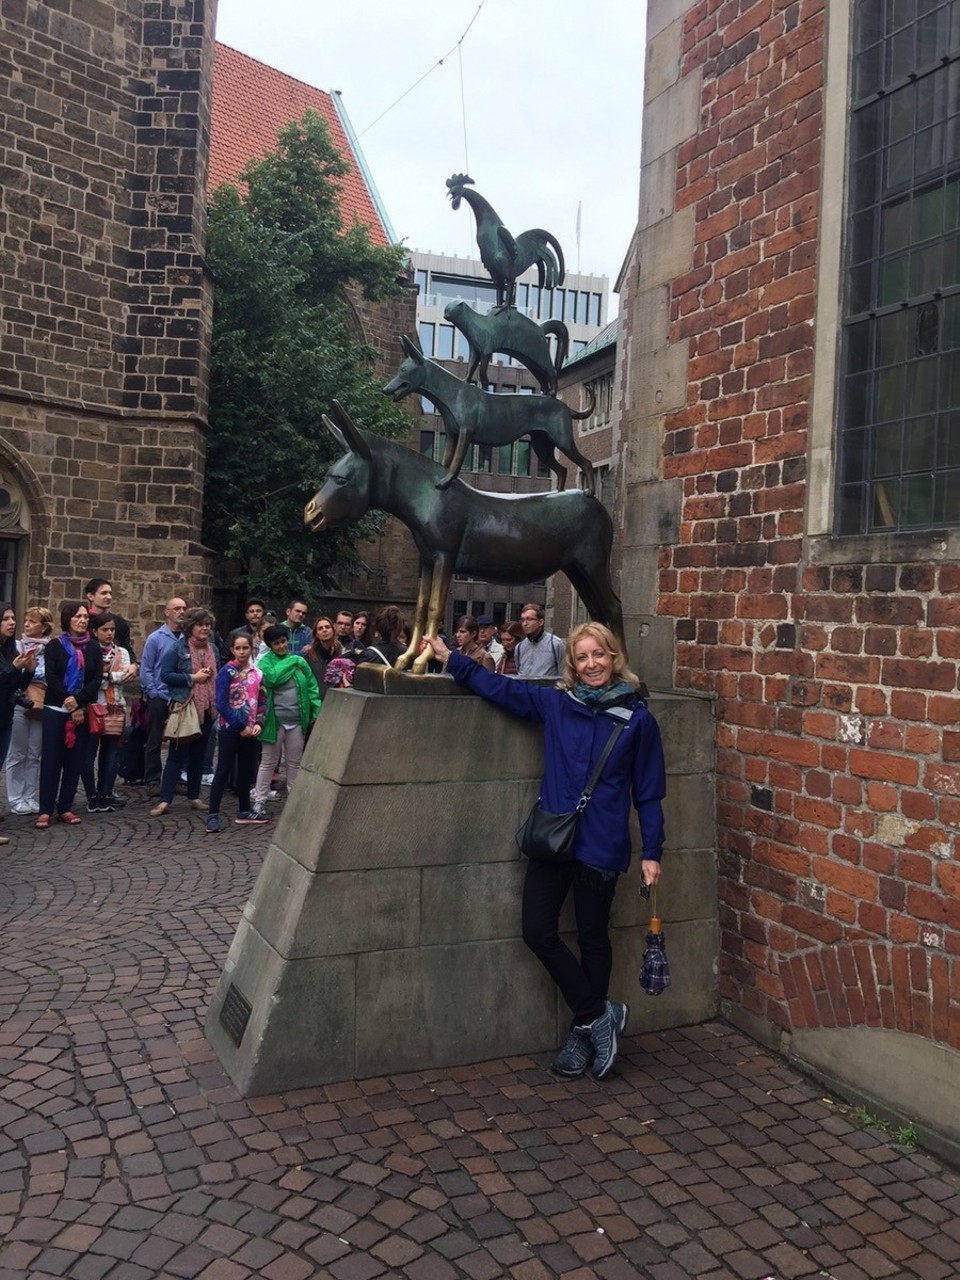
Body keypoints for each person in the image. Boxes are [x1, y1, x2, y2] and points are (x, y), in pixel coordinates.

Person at [425, 622, 666, 1081]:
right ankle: (599, 1015)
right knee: (537, 931)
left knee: (594, 939)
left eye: (599, 655)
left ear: (614, 658)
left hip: (601, 844)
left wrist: (653, 851)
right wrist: (450, 659)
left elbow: (649, 792)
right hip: (554, 838)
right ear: (572, 666)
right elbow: (500, 689)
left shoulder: (638, 721)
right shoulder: (557, 705)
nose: (592, 664)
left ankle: (583, 1033)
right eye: (582, 657)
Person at [36, 602, 104, 829]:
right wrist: (70, 702)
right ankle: (45, 809)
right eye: (78, 616)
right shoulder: (55, 646)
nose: (83, 620)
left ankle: (65, 806)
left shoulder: (93, 648)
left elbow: (95, 680)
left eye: (85, 616)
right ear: (68, 620)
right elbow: (52, 678)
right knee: (52, 760)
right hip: (56, 709)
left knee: (74, 761)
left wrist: (79, 702)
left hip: (82, 710)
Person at [150, 607, 218, 817]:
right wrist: (192, 678)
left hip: (208, 708)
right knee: (177, 755)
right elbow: (166, 675)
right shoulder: (177, 648)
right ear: (190, 627)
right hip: (185, 707)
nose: (205, 628)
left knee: (199, 754)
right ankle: (165, 799)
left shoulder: (213, 649)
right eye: (200, 624)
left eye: (207, 624)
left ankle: (194, 796)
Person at [250, 626, 321, 821]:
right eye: (276, 643)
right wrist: (294, 662)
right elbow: (272, 679)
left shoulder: (298, 661)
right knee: (268, 762)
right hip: (275, 722)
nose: (281, 646)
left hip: (297, 722)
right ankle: (259, 801)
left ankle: (295, 803)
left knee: (295, 763)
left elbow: (311, 686)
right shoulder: (266, 663)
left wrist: (316, 709)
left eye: (283, 641)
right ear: (270, 646)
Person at [205, 632, 265, 832]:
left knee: (247, 770)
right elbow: (221, 703)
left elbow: (262, 700)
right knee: (223, 770)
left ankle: (244, 809)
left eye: (245, 648)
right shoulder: (226, 672)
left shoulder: (257, 673)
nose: (241, 652)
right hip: (231, 729)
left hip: (251, 731)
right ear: (232, 650)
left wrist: (259, 722)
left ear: (251, 649)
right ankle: (213, 813)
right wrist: (241, 726)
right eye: (238, 648)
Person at [81, 613, 137, 813]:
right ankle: (91, 794)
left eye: (112, 629)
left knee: (111, 754)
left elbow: (125, 676)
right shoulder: (88, 650)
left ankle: (105, 792)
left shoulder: (121, 651)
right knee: (87, 755)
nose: (109, 633)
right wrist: (109, 677)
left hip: (115, 708)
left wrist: (104, 676)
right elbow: (88, 677)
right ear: (95, 632)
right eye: (105, 629)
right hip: (93, 707)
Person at [5, 606, 54, 815]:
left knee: (34, 752)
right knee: (17, 752)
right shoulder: (16, 646)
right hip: (19, 701)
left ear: (44, 627)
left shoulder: (51, 648)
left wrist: (35, 670)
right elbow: (14, 673)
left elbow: (51, 673)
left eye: (32, 621)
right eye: (26, 620)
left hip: (41, 701)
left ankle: (29, 795)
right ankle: (15, 798)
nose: (26, 624)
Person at [0, 604, 38, 843]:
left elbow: (16, 687)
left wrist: (29, 671)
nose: (12, 622)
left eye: (13, 618)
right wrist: (14, 668)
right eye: (5, 619)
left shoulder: (10, 649)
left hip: (4, 717)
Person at [140, 596, 186, 786]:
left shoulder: (188, 639)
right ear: (167, 612)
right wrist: (153, 692)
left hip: (181, 696)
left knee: (180, 739)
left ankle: (174, 778)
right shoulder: (155, 638)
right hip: (159, 695)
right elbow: (146, 667)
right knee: (155, 738)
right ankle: (152, 778)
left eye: (184, 608)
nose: (181, 612)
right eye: (177, 608)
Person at [84, 577, 136, 659]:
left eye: (110, 593)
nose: (109, 597)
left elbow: (128, 651)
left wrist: (133, 665)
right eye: (104, 593)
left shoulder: (120, 623)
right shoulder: (82, 621)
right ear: (91, 596)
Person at [515, 603, 565, 679]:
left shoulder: (555, 644)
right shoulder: (519, 647)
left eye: (529, 619)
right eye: (522, 620)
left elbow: (564, 674)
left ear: (540, 622)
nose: (525, 624)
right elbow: (519, 671)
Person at [302, 616, 342, 688]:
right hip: (317, 696)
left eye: (327, 627)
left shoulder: (342, 653)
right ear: (316, 634)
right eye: (320, 628)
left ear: (333, 630)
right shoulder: (309, 656)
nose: (324, 630)